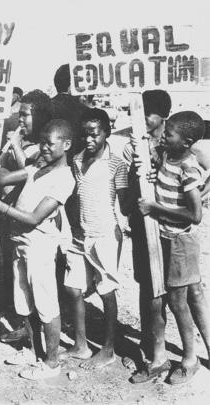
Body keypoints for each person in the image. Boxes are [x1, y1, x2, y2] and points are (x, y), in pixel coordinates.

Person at [0, 119, 75, 380]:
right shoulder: (37, 167)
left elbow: (34, 218)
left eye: (51, 144)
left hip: (39, 245)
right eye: (42, 143)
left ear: (67, 145)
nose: (45, 148)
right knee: (24, 300)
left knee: (46, 304)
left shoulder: (63, 178)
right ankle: (32, 349)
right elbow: (2, 176)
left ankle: (51, 363)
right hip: (20, 243)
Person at [137, 111, 210, 384]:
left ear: (187, 141)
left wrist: (156, 208)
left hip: (181, 241)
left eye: (169, 134)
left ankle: (190, 359)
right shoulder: (169, 156)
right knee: (175, 298)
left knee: (180, 302)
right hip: (166, 238)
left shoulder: (189, 167)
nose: (164, 137)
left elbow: (195, 215)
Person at [61, 108, 129, 369]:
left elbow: (124, 203)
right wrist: (73, 226)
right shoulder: (77, 159)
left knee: (106, 290)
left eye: (95, 135)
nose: (89, 140)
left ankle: (109, 348)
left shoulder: (116, 165)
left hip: (105, 236)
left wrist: (139, 181)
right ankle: (80, 345)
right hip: (80, 234)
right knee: (72, 287)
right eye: (85, 135)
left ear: (107, 133)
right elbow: (76, 196)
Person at [0, 89, 53, 343]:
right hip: (12, 217)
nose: (21, 120)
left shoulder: (46, 145)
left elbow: (26, 171)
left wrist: (14, 147)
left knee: (36, 277)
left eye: (25, 115)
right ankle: (25, 325)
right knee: (15, 270)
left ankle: (38, 333)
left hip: (31, 220)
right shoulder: (26, 140)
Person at [122, 90, 172, 375]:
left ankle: (164, 349)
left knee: (170, 289)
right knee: (146, 284)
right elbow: (129, 197)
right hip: (142, 225)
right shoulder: (134, 146)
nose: (140, 120)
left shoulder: (172, 145)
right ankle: (149, 340)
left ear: (162, 116)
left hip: (167, 227)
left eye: (146, 114)